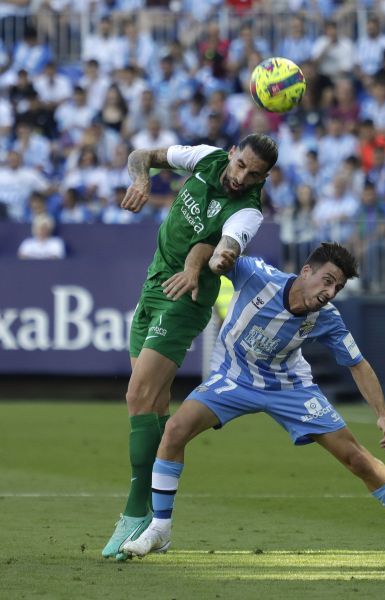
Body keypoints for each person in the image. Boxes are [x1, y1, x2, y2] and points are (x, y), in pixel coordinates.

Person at [120, 244, 385, 565]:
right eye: (327, 281)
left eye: (337, 288)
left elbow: (358, 364)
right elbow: (210, 251)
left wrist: (382, 415)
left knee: (357, 457)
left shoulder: (327, 317)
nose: (329, 292)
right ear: (306, 271)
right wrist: (204, 264)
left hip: (289, 388)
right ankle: (160, 529)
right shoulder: (257, 275)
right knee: (175, 431)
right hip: (234, 378)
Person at [102, 134, 278, 560]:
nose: (242, 177)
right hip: (155, 283)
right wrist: (143, 180)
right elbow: (141, 154)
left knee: (137, 397)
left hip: (187, 295)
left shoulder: (248, 210)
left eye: (254, 175)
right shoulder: (205, 157)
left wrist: (214, 261)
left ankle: (134, 513)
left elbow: (225, 248)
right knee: (155, 403)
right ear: (233, 152)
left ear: (264, 177)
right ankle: (160, 522)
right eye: (241, 166)